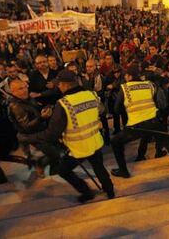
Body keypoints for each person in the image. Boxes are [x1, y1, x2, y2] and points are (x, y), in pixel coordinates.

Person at [18, 70, 115, 203]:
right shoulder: (91, 94)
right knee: (99, 167)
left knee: (63, 170)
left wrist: (29, 138)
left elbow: (52, 134)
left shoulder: (64, 103)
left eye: (59, 84)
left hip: (77, 148)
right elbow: (102, 111)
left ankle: (86, 192)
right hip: (95, 141)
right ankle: (110, 191)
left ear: (65, 85)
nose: (58, 86)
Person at [110, 65, 169, 178]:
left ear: (129, 76)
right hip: (154, 120)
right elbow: (156, 100)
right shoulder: (149, 84)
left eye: (126, 76)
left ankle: (123, 170)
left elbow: (116, 109)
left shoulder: (125, 87)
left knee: (116, 142)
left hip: (136, 125)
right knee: (165, 139)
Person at [8, 79, 61, 177]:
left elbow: (35, 110)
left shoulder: (26, 98)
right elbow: (27, 127)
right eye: (20, 89)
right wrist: (41, 118)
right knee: (55, 154)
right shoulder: (16, 106)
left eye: (25, 87)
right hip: (31, 135)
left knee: (56, 149)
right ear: (13, 92)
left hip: (40, 129)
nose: (25, 90)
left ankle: (54, 169)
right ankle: (40, 164)